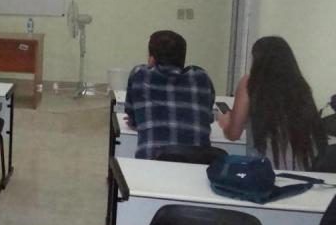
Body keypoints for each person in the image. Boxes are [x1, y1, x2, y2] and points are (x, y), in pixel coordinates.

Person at [218, 36, 326, 170]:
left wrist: (226, 122)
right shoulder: (301, 87)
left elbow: (233, 134)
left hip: (265, 173)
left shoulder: (250, 84)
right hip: (307, 174)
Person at [124, 30, 215, 159]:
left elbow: (133, 119)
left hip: (151, 162)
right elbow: (208, 116)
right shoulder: (201, 77)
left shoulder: (139, 74)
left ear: (152, 59)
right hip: (198, 163)